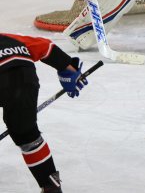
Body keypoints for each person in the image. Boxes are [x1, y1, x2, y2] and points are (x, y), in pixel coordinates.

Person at [0, 33, 90, 192]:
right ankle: (51, 186)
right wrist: (69, 69)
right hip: (24, 75)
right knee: (27, 135)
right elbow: (45, 47)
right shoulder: (7, 38)